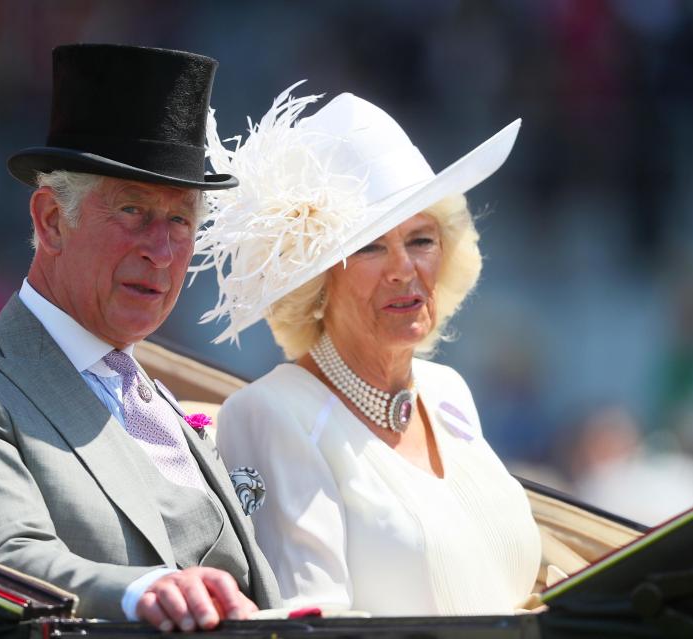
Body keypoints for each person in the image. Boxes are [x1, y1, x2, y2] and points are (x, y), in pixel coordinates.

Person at [0, 44, 280, 630]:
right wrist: (146, 592)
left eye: (180, 220)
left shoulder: (157, 396)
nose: (162, 249)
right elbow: (1, 563)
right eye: (132, 210)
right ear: (51, 221)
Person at [192, 85, 541, 615]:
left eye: (421, 240)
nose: (404, 268)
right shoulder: (270, 414)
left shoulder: (449, 392)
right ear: (314, 282)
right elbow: (314, 621)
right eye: (370, 246)